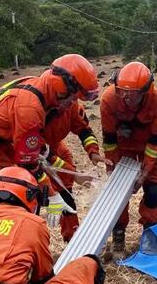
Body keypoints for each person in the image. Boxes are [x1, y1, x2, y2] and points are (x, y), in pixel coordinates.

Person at [0, 54, 99, 222]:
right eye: (73, 97)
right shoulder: (30, 108)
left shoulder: (42, 93)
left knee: (24, 202)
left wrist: (71, 174)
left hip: (2, 148)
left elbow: (38, 151)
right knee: (3, 209)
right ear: (61, 88)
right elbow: (28, 162)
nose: (73, 103)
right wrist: (52, 196)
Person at [100, 61, 157, 260]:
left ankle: (149, 233)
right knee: (118, 192)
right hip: (123, 147)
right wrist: (112, 168)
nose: (125, 97)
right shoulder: (108, 100)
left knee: (152, 190)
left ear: (146, 91)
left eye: (132, 93)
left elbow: (156, 142)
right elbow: (109, 139)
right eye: (121, 91)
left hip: (148, 145)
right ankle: (118, 235)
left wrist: (145, 172)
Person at [42, 91, 109, 242]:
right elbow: (42, 154)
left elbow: (84, 130)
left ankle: (72, 238)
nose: (71, 101)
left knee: (66, 193)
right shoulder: (36, 108)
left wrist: (93, 152)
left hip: (56, 148)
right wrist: (75, 174)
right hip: (34, 154)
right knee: (40, 194)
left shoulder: (73, 106)